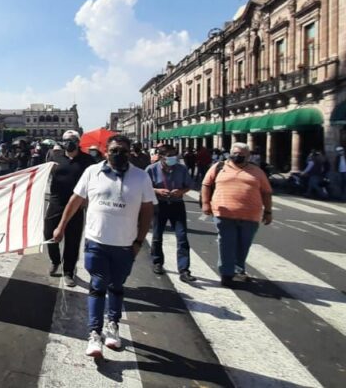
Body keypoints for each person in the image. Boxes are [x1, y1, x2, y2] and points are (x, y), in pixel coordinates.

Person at [52, 134, 156, 359]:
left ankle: (113, 326)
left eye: (123, 151)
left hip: (124, 244)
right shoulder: (92, 172)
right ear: (105, 152)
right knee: (97, 285)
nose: (118, 155)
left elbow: (147, 210)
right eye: (114, 150)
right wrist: (61, 227)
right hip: (96, 241)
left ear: (130, 153)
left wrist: (139, 241)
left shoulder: (141, 177)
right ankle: (94, 333)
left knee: (116, 286)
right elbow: (75, 200)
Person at [201, 142, 273, 287]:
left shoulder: (257, 171)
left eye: (241, 154)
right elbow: (206, 184)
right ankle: (227, 273)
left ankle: (238, 269)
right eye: (234, 153)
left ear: (248, 156)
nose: (236, 156)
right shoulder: (219, 167)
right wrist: (205, 203)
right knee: (226, 243)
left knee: (243, 244)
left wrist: (268, 211)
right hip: (223, 213)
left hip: (251, 215)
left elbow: (266, 192)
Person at [43, 130, 95, 287]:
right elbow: (43, 174)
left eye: (72, 140)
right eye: (65, 140)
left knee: (72, 239)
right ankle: (55, 260)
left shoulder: (88, 161)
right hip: (56, 202)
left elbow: (95, 181)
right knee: (49, 233)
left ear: (78, 142)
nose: (69, 142)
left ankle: (68, 271)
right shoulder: (55, 158)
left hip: (77, 205)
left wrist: (88, 199)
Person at [146, 146, 196, 282]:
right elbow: (144, 187)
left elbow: (189, 185)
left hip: (177, 204)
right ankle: (157, 262)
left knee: (182, 237)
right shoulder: (151, 169)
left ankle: (184, 269)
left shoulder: (181, 169)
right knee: (157, 236)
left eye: (175, 155)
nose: (173, 158)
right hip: (159, 204)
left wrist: (181, 191)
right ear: (161, 156)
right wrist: (157, 191)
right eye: (170, 155)